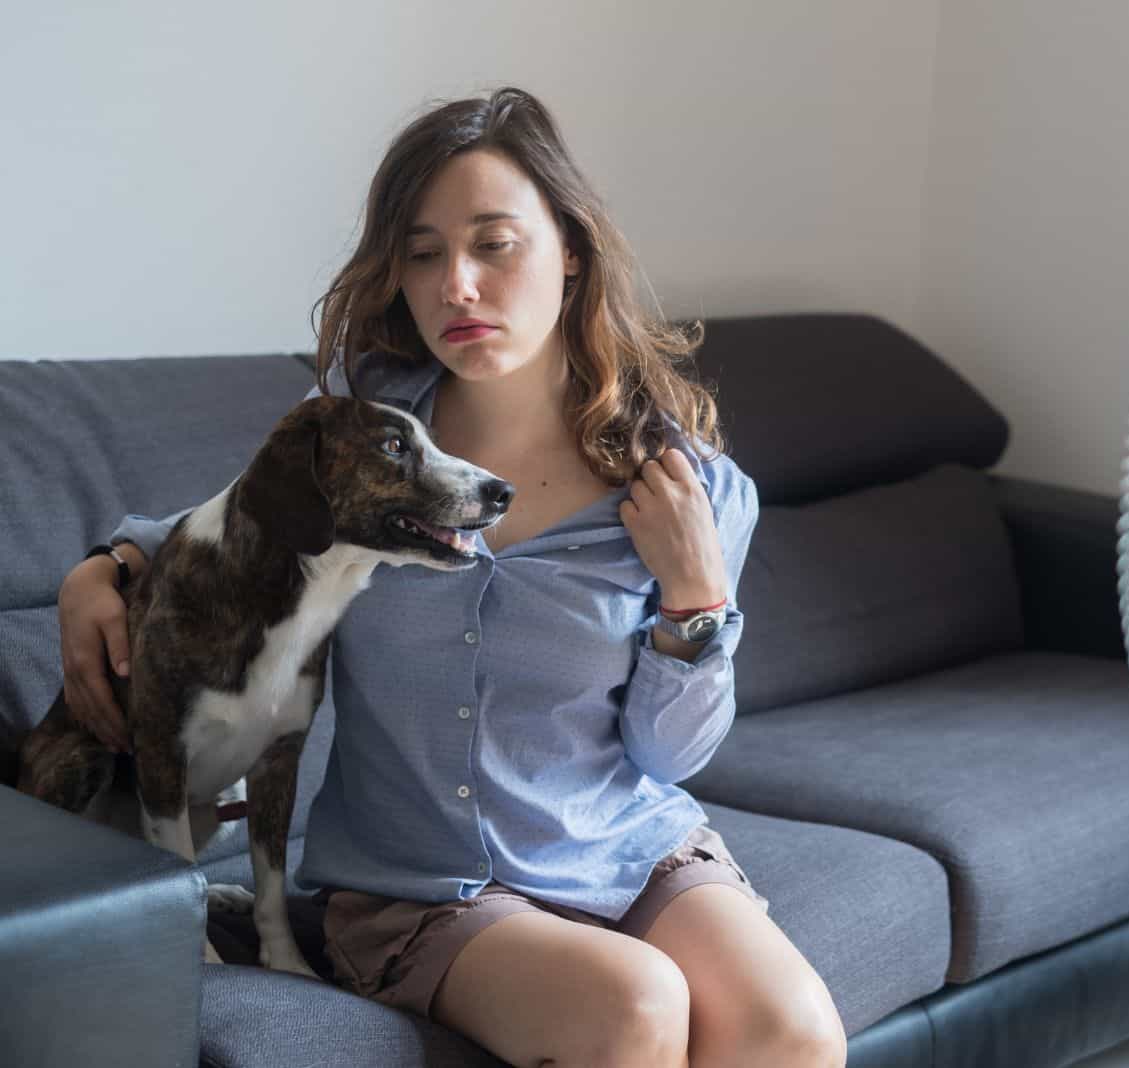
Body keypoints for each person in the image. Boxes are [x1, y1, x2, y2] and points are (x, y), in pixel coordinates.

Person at [56, 87, 847, 1068]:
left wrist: (694, 599)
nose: (457, 286)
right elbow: (242, 530)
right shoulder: (367, 425)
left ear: (569, 247)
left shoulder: (691, 489)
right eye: (424, 254)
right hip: (420, 888)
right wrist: (111, 561)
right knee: (632, 1006)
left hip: (630, 852)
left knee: (795, 1029)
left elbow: (669, 751)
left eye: (493, 244)